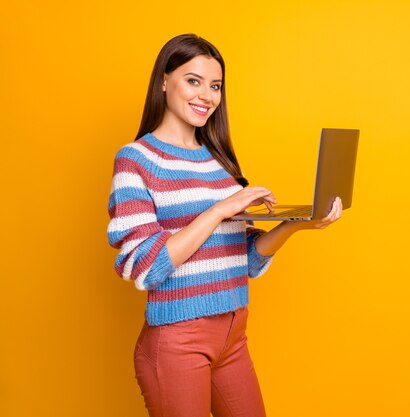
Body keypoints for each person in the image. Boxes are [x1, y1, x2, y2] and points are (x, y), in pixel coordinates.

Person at [106, 33, 342, 417]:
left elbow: (245, 258)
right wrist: (218, 210)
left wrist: (297, 225)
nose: (207, 96)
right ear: (164, 81)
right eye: (193, 80)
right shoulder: (136, 159)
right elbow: (145, 267)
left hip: (233, 336)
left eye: (215, 86)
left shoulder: (220, 162)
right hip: (178, 341)